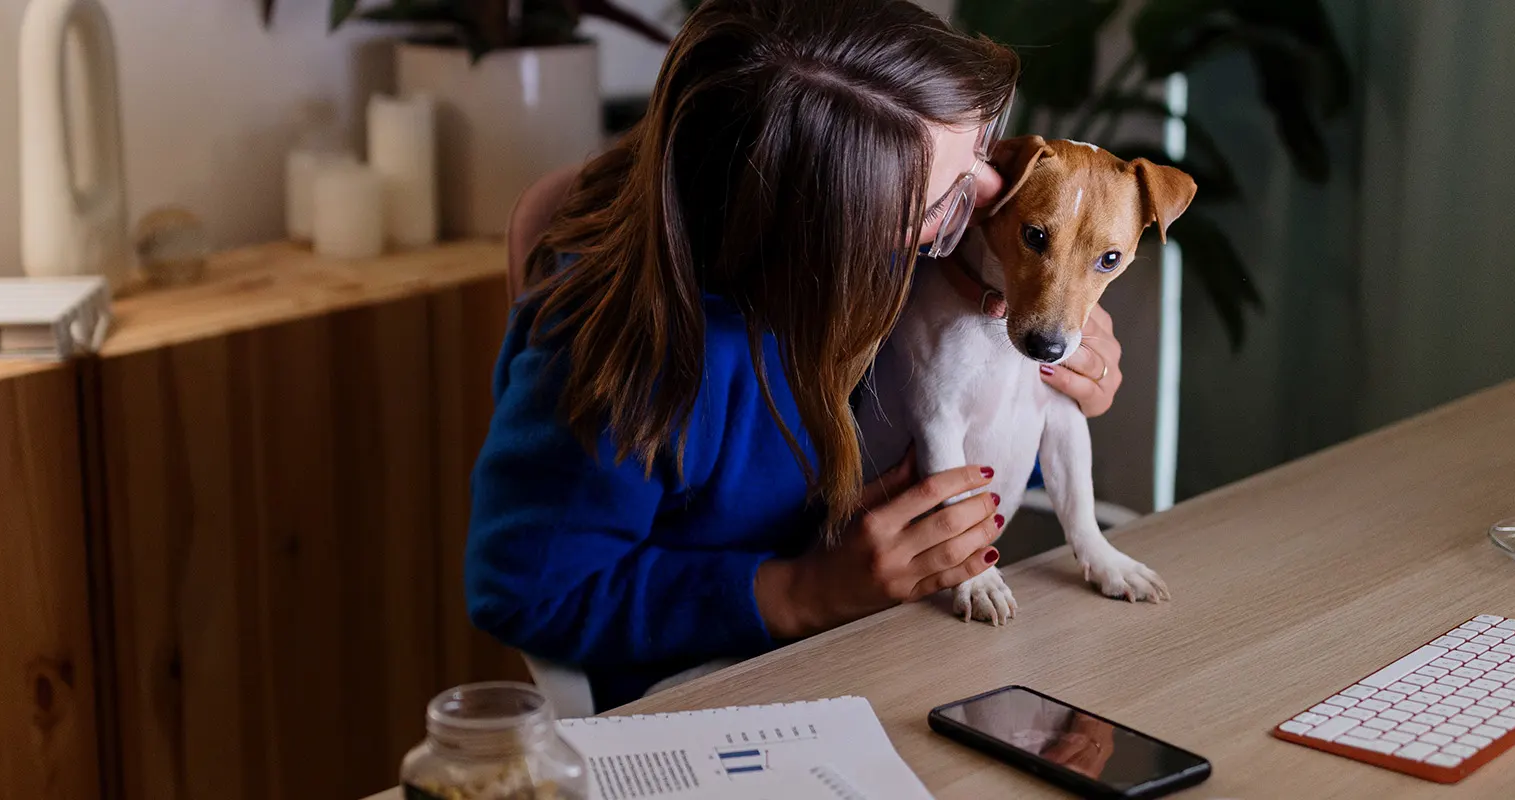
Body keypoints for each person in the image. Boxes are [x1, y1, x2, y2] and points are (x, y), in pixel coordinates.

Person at [466, 0, 1127, 711]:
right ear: (822, 240)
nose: (997, 195)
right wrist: (797, 592)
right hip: (715, 690)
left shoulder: (902, 275)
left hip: (892, 647)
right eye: (945, 200)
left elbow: (932, 467)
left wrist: (1038, 390)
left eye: (981, 151)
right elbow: (526, 592)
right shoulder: (619, 360)